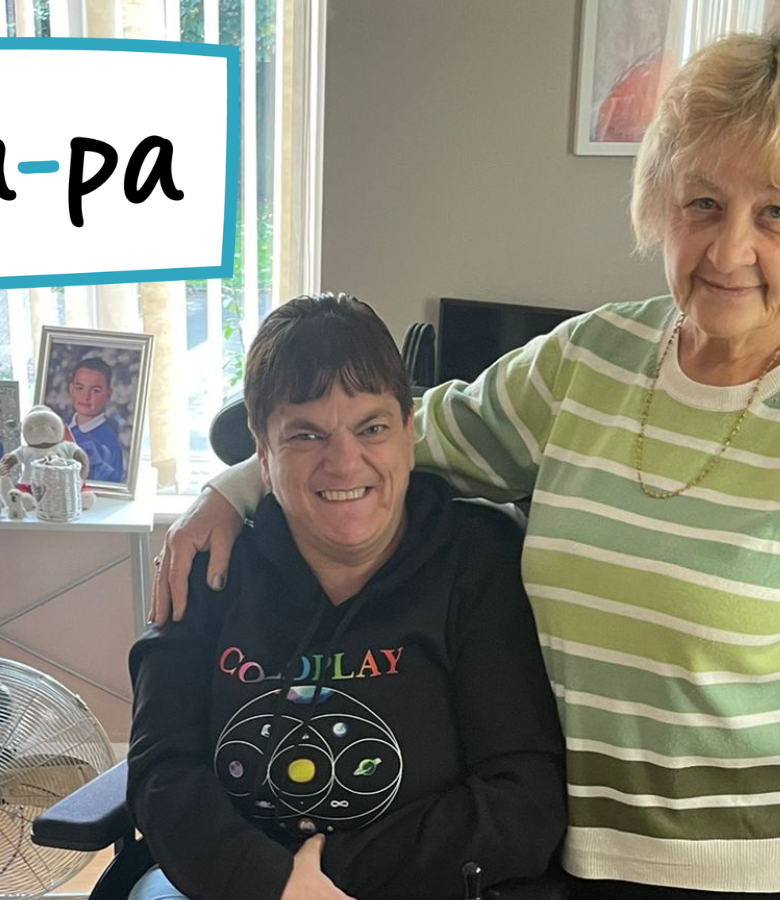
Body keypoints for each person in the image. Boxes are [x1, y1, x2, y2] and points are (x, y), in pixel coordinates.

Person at [155, 16, 780, 900]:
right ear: (662, 202)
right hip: (576, 859)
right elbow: (397, 437)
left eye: (774, 211)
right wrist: (236, 485)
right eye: (704, 203)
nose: (730, 249)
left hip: (764, 873)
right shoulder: (590, 361)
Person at [127, 294, 566, 900]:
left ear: (409, 433)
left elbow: (525, 799)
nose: (343, 462)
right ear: (264, 450)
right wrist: (272, 884)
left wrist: (326, 880)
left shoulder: (476, 562)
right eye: (305, 434)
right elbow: (162, 775)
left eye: (372, 428)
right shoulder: (210, 569)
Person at [65, 357, 126, 482]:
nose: (86, 396)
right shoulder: (60, 426)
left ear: (108, 394)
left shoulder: (109, 442)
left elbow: (110, 483)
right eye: (80, 388)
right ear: (71, 389)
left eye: (95, 390)